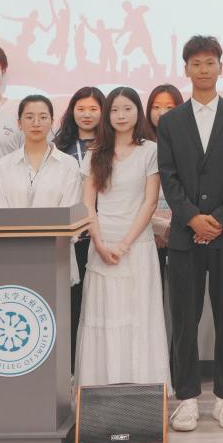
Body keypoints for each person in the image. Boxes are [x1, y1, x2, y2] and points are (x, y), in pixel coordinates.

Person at [157, 36, 223, 432]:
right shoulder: (170, 122)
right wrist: (192, 219)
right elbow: (168, 177)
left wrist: (218, 220)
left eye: (210, 62)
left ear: (220, 67)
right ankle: (186, 399)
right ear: (186, 69)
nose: (203, 69)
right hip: (185, 236)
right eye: (196, 63)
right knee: (185, 319)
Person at [74, 87, 171, 388]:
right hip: (101, 243)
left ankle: (142, 386)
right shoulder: (95, 153)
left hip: (138, 245)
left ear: (138, 112)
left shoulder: (150, 150)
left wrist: (126, 243)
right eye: (114, 109)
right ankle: (101, 386)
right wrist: (99, 243)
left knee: (138, 316)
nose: (120, 115)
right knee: (104, 315)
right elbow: (88, 204)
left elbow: (149, 203)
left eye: (127, 109)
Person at [0, 95, 83, 283]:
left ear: (52, 122)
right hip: (13, 258)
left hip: (56, 259)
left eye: (43, 117)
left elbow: (71, 214)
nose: (36, 123)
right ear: (19, 123)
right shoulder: (3, 166)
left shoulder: (68, 165)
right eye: (29, 117)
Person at [55, 86, 105, 371]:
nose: (87, 115)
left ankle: (96, 367)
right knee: (71, 302)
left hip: (104, 233)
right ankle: (71, 369)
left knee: (100, 302)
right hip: (70, 237)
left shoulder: (111, 146)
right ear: (72, 111)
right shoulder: (59, 147)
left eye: (94, 109)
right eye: (81, 109)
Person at [147, 84, 184, 271]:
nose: (162, 112)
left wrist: (171, 229)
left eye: (169, 107)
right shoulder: (141, 145)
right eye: (156, 107)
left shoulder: (187, 142)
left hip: (182, 228)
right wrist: (157, 230)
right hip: (146, 231)